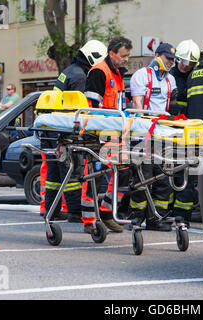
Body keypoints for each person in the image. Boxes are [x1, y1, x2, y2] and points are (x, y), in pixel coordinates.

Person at [42, 40, 108, 225]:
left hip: (52, 129)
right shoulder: (80, 76)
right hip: (64, 131)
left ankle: (52, 210)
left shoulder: (69, 70)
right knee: (71, 170)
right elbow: (79, 107)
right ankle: (75, 211)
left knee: (55, 175)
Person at [83, 36, 133, 233]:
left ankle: (105, 211)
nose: (126, 59)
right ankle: (89, 220)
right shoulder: (99, 72)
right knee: (94, 176)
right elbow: (92, 107)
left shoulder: (118, 74)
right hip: (98, 132)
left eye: (127, 56)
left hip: (115, 132)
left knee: (124, 171)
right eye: (123, 56)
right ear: (111, 53)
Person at [128, 43, 179, 232]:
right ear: (157, 55)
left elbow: (171, 107)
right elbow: (137, 104)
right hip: (143, 134)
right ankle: (137, 216)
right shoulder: (141, 76)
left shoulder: (171, 80)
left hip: (163, 133)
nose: (170, 63)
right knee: (143, 176)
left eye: (172, 60)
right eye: (167, 59)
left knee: (163, 177)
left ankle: (157, 218)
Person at [168, 39, 201, 227]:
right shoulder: (169, 76)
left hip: (188, 133)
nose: (182, 65)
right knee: (166, 175)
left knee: (185, 176)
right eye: (180, 60)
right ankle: (164, 213)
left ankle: (182, 216)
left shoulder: (195, 78)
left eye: (187, 62)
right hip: (169, 130)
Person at [169, 39, 200, 115]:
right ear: (176, 59)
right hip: (171, 119)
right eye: (183, 61)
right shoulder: (168, 77)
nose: (185, 66)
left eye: (190, 63)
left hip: (191, 119)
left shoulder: (196, 78)